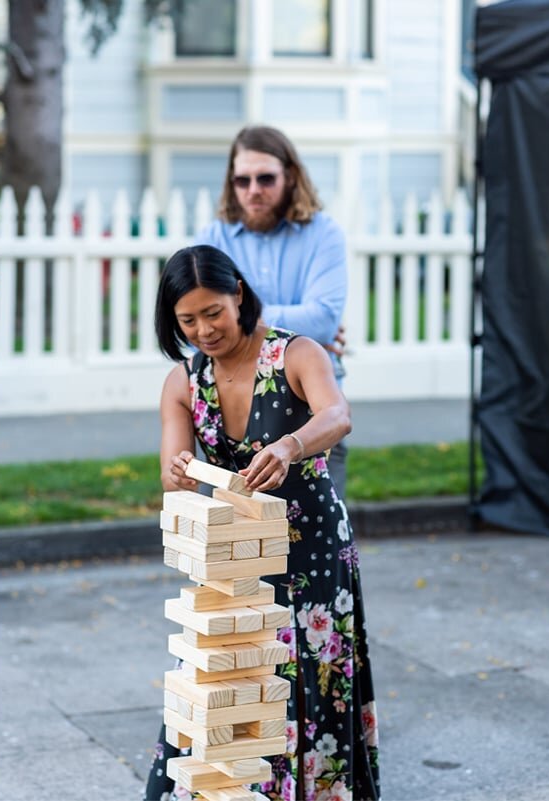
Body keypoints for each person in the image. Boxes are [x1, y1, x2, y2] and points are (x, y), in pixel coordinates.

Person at [143, 246, 380, 801]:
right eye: (188, 320)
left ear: (240, 297)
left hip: (311, 546)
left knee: (306, 673)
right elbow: (173, 474)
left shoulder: (295, 353)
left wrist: (292, 445)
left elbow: (338, 415)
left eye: (213, 313)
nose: (204, 329)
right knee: (221, 677)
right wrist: (181, 469)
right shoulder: (183, 381)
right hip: (235, 554)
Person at [198, 125, 351, 496]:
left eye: (265, 178)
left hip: (309, 419)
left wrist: (238, 325)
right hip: (226, 424)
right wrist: (299, 340)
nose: (253, 190)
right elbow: (197, 328)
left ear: (291, 177)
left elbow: (324, 318)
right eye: (242, 180)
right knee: (221, 549)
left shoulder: (323, 233)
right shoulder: (212, 239)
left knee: (317, 546)